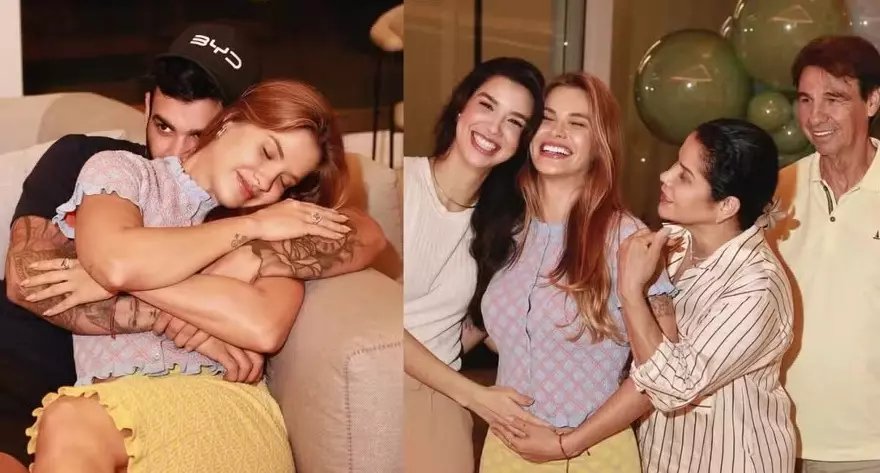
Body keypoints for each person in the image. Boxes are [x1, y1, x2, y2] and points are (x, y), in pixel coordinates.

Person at [1, 23, 384, 470]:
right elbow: (91, 266)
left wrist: (112, 273)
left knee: (70, 422)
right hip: (80, 398)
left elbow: (263, 323)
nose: (176, 150)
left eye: (196, 134)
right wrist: (210, 274)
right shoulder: (110, 167)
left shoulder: (264, 212)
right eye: (164, 126)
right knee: (68, 423)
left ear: (224, 120)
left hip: (212, 404)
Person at [499, 118, 796, 473]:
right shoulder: (671, 244)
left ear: (726, 207)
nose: (665, 176)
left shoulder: (756, 286)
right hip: (660, 457)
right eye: (674, 164)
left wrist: (631, 291)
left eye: (684, 176)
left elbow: (674, 385)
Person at [475, 72, 674, 472]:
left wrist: (567, 444)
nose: (557, 132)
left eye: (577, 123)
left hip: (590, 454)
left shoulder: (626, 237)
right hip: (503, 450)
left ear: (600, 145)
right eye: (547, 118)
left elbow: (661, 373)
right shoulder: (507, 230)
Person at [403, 57, 545, 473]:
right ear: (461, 107)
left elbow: (483, 322)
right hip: (384, 375)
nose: (494, 129)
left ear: (521, 142)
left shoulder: (507, 227)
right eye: (487, 106)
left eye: (514, 122)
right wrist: (475, 396)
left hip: (440, 396)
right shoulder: (402, 184)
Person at [771, 35, 880, 473]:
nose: (815, 116)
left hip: (869, 447)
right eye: (805, 99)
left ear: (872, 101)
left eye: (834, 99)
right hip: (777, 440)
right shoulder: (776, 192)